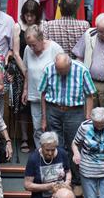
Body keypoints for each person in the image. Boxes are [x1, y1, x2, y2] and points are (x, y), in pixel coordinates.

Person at [39, 53, 96, 188]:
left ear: (70, 65)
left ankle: (76, 181)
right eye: (58, 71)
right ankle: (57, 180)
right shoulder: (48, 70)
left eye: (63, 71)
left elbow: (90, 95)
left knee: (74, 146)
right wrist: (44, 118)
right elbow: (43, 93)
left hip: (74, 111)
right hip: (53, 109)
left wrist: (87, 118)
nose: (61, 73)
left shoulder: (82, 70)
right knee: (55, 146)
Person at [21, 25, 63, 149]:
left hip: (53, 96)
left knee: (52, 126)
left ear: (41, 39)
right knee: (38, 127)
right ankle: (41, 153)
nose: (31, 48)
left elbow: (64, 70)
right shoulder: (28, 50)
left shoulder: (55, 48)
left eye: (34, 44)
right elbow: (27, 70)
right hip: (35, 94)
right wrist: (25, 89)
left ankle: (54, 153)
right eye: (29, 45)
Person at [10, 0, 43, 152]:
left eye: (32, 15)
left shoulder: (42, 26)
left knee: (40, 104)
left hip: (39, 69)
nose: (29, 18)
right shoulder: (18, 27)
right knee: (23, 106)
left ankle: (41, 139)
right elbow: (16, 52)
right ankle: (24, 138)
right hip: (21, 69)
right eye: (27, 15)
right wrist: (25, 71)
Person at [24, 131, 71, 198]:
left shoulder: (62, 153)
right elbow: (27, 185)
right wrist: (47, 186)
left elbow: (68, 172)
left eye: (53, 150)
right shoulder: (34, 158)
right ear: (41, 146)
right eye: (47, 150)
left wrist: (67, 182)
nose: (50, 153)